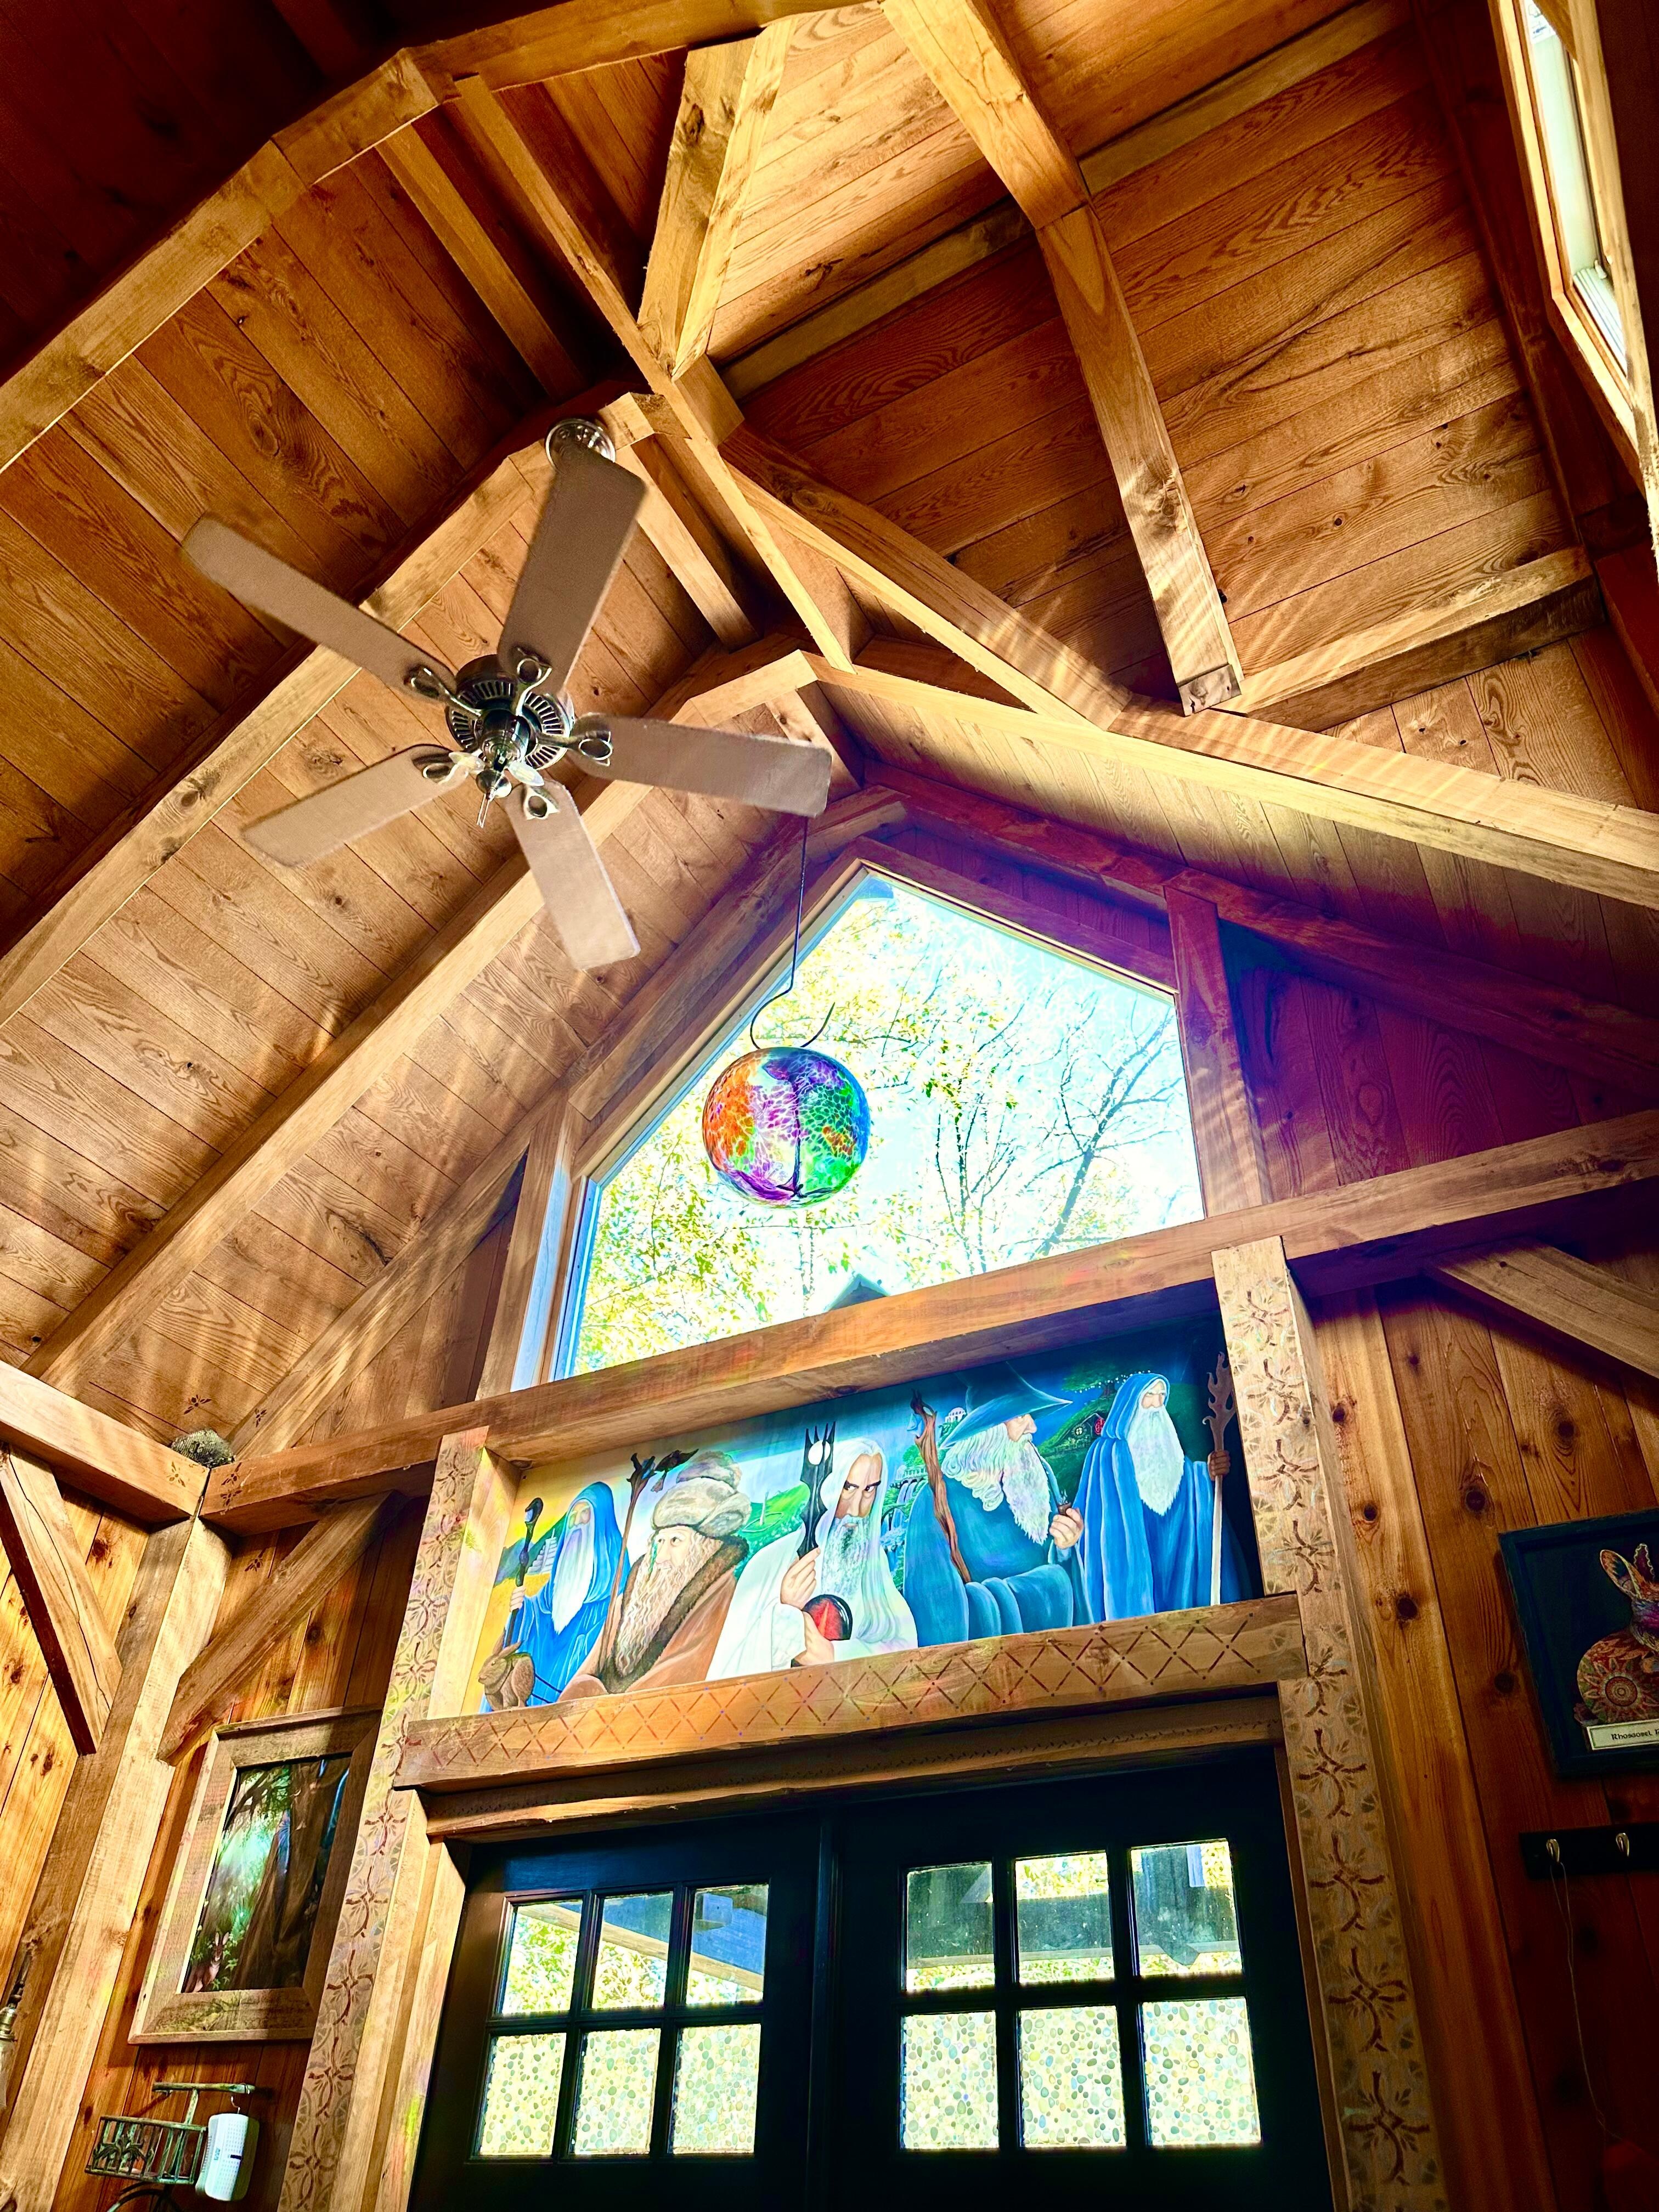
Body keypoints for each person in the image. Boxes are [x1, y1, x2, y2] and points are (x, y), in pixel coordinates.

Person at [903, 1365, 1084, 1643]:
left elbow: (1059, 1562)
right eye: (1022, 1416)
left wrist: (1065, 1547)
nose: (1033, 1427)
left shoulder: (1039, 1475)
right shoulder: (934, 1502)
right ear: (991, 1431)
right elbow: (934, 1609)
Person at [709, 1438, 918, 1677]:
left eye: (869, 1490)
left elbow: (906, 1647)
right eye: (848, 1488)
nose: (856, 1509)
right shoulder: (772, 1560)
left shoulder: (874, 1561)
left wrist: (834, 1654)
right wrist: (785, 1609)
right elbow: (731, 1667)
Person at [560, 1453, 749, 1699]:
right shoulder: (631, 1600)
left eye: (676, 1541)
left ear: (704, 1547)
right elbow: (589, 1670)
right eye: (659, 1542)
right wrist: (582, 1691)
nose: (661, 1558)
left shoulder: (721, 1596)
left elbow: (681, 1676)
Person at [1071, 1370, 1248, 1622]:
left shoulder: (1168, 1443)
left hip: (1174, 1546)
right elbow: (1090, 1510)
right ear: (1131, 1402)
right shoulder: (1105, 1452)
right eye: (1149, 1396)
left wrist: (1206, 1473)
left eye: (1162, 1396)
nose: (1156, 1404)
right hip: (1131, 1552)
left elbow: (1184, 1476)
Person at [489, 1485, 622, 1706]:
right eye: (573, 1518)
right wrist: (523, 1609)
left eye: (585, 1515)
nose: (577, 1524)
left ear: (601, 1524)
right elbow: (539, 1615)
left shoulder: (614, 1589)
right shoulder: (555, 1587)